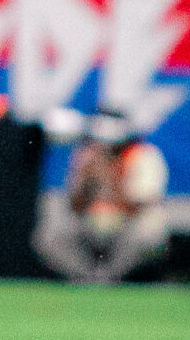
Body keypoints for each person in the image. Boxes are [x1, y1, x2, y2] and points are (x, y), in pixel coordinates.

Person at [34, 111, 169, 282]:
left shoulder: (144, 156)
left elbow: (137, 207)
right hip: (91, 224)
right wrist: (87, 179)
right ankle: (87, 278)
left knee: (146, 236)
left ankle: (111, 278)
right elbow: (75, 206)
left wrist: (110, 176)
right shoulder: (87, 156)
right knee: (51, 237)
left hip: (127, 225)